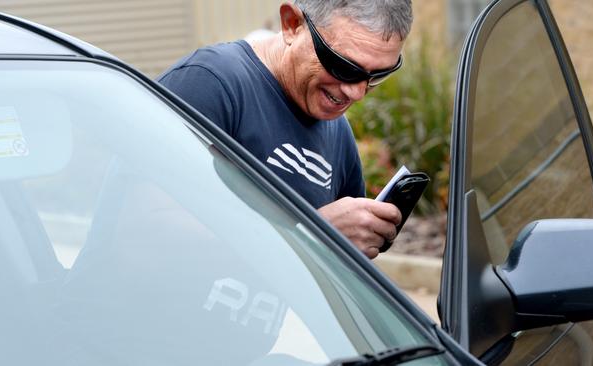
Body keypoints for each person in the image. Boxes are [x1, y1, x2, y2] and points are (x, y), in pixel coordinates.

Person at [158, 0, 413, 259]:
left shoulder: (339, 133)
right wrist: (311, 232)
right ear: (292, 24)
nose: (357, 92)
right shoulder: (209, 84)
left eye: (378, 75)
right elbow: (145, 228)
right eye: (343, 66)